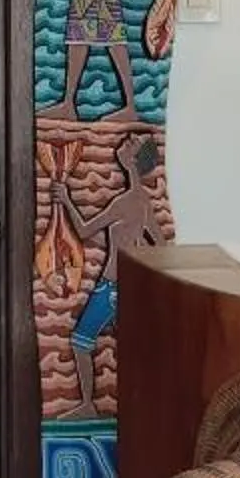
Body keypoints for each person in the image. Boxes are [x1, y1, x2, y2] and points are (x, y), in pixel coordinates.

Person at [67, 136, 169, 414]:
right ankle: (144, 402)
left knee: (80, 342)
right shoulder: (143, 200)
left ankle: (88, 405)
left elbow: (84, 230)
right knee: (133, 346)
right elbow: (161, 244)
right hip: (129, 285)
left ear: (134, 160)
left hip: (111, 286)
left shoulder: (124, 201)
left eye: (131, 144)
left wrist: (66, 199)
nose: (125, 143)